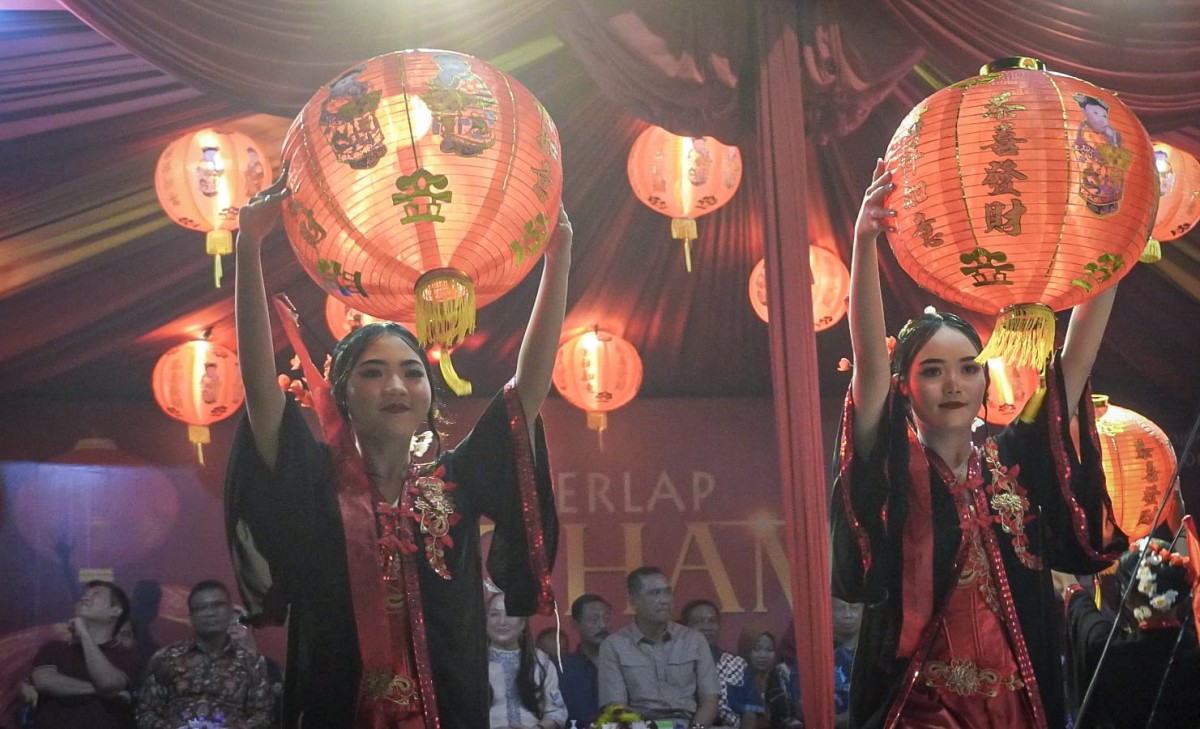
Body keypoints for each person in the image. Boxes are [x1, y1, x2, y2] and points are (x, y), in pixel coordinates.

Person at [225, 172, 570, 727]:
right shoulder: (314, 478)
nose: (395, 387)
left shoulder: (453, 480)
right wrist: (249, 247)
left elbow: (526, 390)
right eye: (374, 373)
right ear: (342, 396)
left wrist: (558, 257)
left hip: (448, 711)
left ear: (430, 395)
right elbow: (260, 390)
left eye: (412, 373)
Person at [830, 160, 1123, 728]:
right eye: (933, 371)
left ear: (986, 379)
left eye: (968, 368)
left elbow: (1075, 362)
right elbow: (868, 362)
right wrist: (864, 245)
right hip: (917, 707)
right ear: (904, 385)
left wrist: (1110, 233)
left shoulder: (1014, 459)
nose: (954, 384)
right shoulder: (891, 464)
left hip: (1015, 701)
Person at [1061, 539, 1200, 727]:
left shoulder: (1111, 650)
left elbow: (1087, 620)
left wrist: (1071, 588)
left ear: (1129, 599)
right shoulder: (1194, 645)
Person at [136, 580, 274, 728]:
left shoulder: (251, 661)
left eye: (217, 605)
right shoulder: (165, 658)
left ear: (229, 611)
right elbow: (145, 713)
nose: (210, 613)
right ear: (190, 616)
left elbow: (264, 715)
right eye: (201, 608)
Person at [597, 567, 720, 727]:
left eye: (667, 592)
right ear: (633, 600)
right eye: (655, 593)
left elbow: (710, 700)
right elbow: (615, 706)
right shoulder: (614, 645)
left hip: (689, 724)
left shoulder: (694, 640)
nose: (664, 600)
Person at [29, 580, 142, 729]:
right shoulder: (54, 648)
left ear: (115, 610)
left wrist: (83, 633)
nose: (85, 598)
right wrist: (100, 692)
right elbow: (44, 681)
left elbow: (108, 684)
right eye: (84, 595)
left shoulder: (126, 654)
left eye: (96, 595)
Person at [486, 589, 568, 729]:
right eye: (494, 614)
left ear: (523, 623)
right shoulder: (472, 665)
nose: (502, 622)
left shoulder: (541, 662)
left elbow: (557, 712)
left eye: (510, 614)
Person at [680, 599, 745, 727]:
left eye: (712, 621)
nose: (707, 627)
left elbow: (749, 713)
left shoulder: (736, 664)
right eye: (699, 621)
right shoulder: (674, 664)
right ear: (684, 627)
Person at [559, 594, 611, 728]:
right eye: (594, 619)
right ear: (575, 624)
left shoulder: (620, 665)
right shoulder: (564, 670)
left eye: (606, 618)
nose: (602, 625)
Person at [831, 598, 862, 728]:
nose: (848, 615)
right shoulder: (818, 652)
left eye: (854, 608)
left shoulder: (875, 653)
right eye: (841, 608)